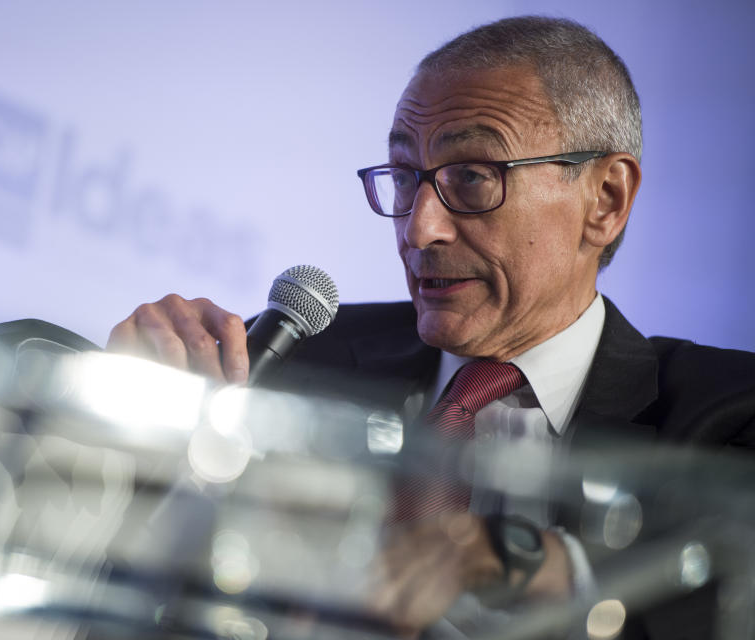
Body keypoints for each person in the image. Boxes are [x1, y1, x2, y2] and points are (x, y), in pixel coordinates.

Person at [107, 16, 755, 638]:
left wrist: (526, 562)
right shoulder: (296, 360)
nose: (420, 229)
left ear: (605, 201)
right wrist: (128, 441)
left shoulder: (728, 416)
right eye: (406, 179)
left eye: (472, 176)